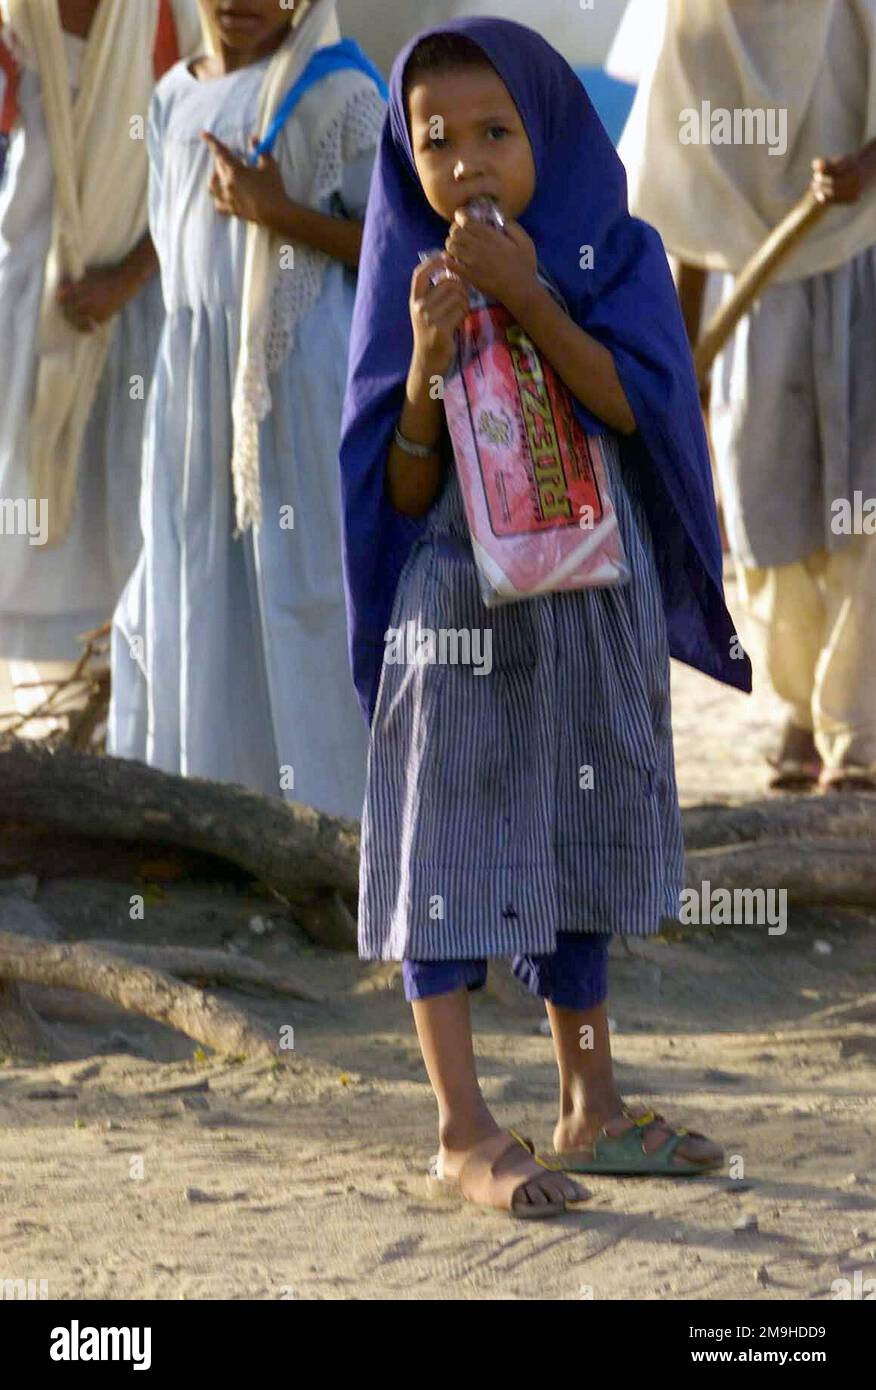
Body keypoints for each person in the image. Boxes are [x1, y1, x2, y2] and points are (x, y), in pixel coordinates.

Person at [339, 19, 751, 1219]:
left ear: (551, 133)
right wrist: (424, 359)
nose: (465, 163)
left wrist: (530, 296)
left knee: (576, 833)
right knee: (445, 839)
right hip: (456, 608)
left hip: (585, 596)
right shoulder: (406, 272)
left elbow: (638, 404)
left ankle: (589, 1105)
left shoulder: (617, 253)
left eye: (495, 134)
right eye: (435, 141)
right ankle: (462, 1126)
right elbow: (402, 487)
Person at [108, 0, 385, 818]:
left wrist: (281, 215)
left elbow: (396, 242)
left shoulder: (339, 92)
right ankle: (212, 812)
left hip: (292, 382)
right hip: (193, 385)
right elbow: (172, 236)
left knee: (299, 592)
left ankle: (332, 821)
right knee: (192, 588)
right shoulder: (170, 97)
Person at [618, 0, 876, 792]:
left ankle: (856, 731)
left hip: (866, 261)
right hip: (753, 294)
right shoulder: (689, 22)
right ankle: (803, 708)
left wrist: (872, 165)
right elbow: (681, 201)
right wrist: (686, 355)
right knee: (768, 519)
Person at [0, 0, 200, 721]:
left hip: (140, 307)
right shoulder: (19, 20)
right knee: (35, 540)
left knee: (134, 531)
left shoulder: (165, 19)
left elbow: (196, 168)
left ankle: (134, 735)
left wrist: (127, 279)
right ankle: (56, 739)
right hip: (35, 308)